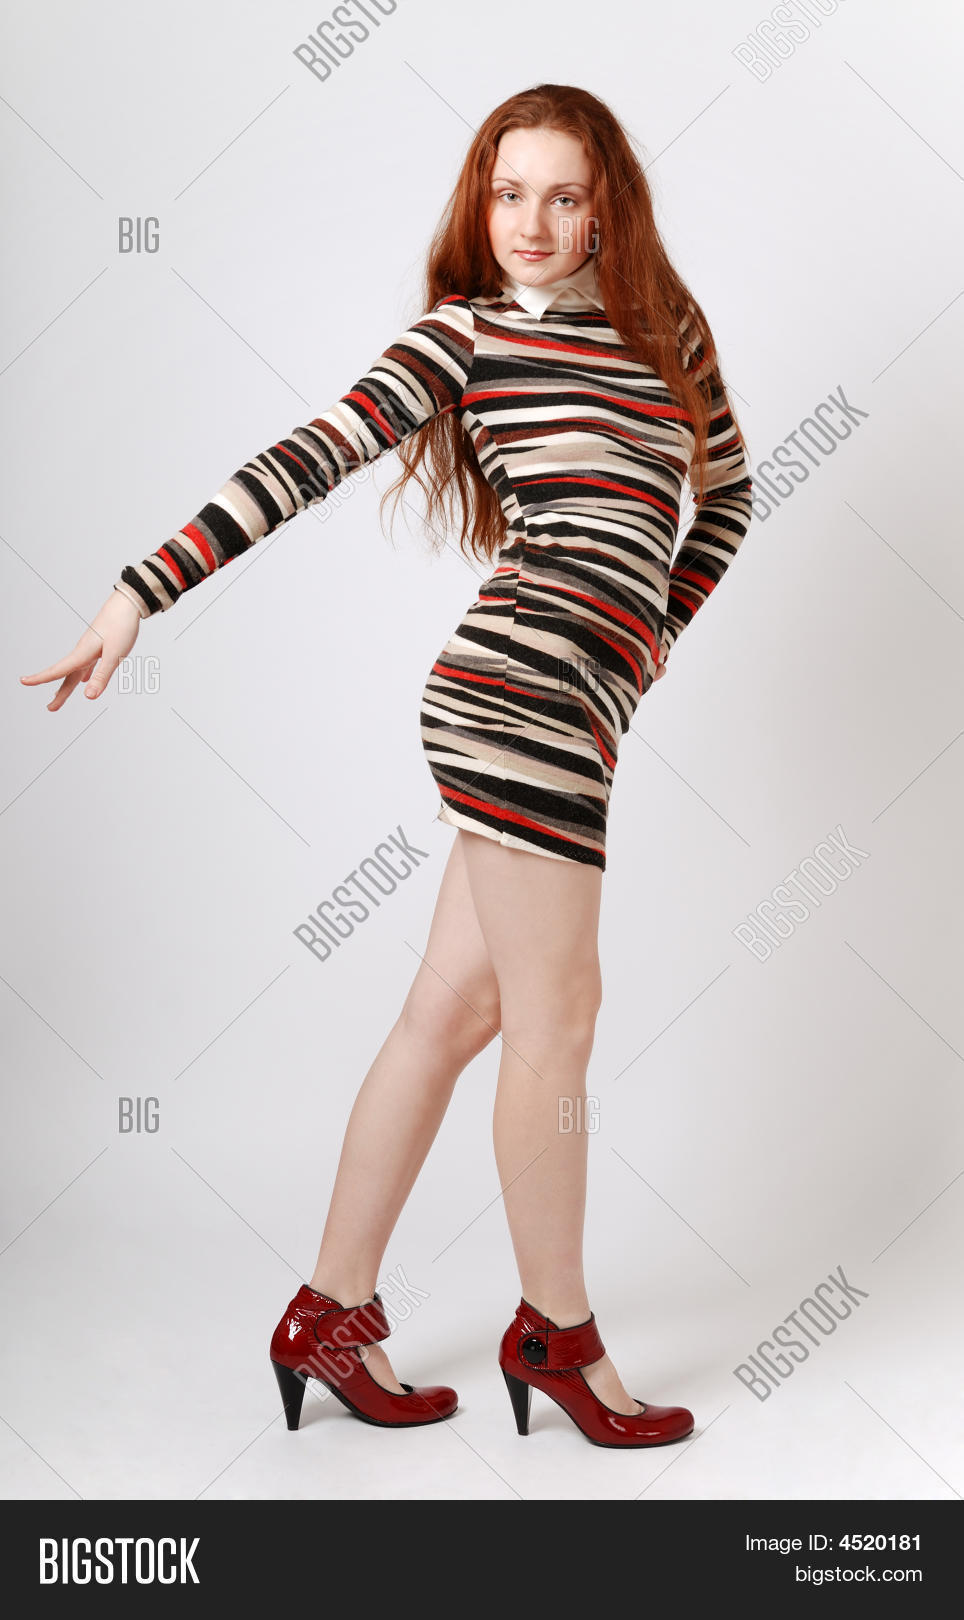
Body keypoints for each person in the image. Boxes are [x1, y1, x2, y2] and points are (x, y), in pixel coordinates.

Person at [21, 83, 753, 1449]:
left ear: (608, 210)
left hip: (580, 701)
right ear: (482, 201)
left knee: (453, 1015)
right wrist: (138, 592)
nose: (530, 223)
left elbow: (731, 493)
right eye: (508, 193)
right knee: (559, 1020)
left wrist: (649, 643)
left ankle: (330, 1312)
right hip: (513, 693)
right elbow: (311, 455)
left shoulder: (667, 330)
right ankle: (559, 1338)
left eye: (563, 196)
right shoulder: (464, 335)